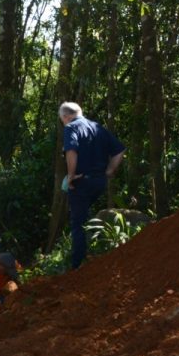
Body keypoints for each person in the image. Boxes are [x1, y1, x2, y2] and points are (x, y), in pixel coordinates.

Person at [59, 101, 126, 269]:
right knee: (83, 216)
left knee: (78, 223)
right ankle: (88, 254)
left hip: (82, 181)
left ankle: (77, 266)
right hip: (99, 182)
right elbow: (120, 150)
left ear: (67, 117)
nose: (63, 123)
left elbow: (71, 151)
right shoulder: (97, 127)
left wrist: (71, 176)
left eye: (62, 120)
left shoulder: (71, 128)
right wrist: (109, 171)